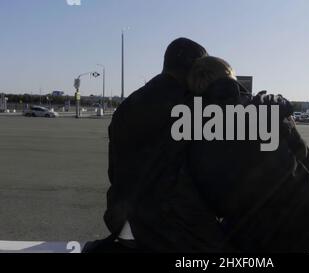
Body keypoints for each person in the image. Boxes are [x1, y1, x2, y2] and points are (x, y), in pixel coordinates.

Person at [84, 38, 233, 253]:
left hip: (123, 222)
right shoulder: (193, 105)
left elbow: (114, 170)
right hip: (169, 230)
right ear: (195, 69)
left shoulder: (129, 104)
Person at [185, 56, 309, 253]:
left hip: (250, 234)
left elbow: (213, 202)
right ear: (230, 79)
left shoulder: (191, 129)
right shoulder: (263, 108)